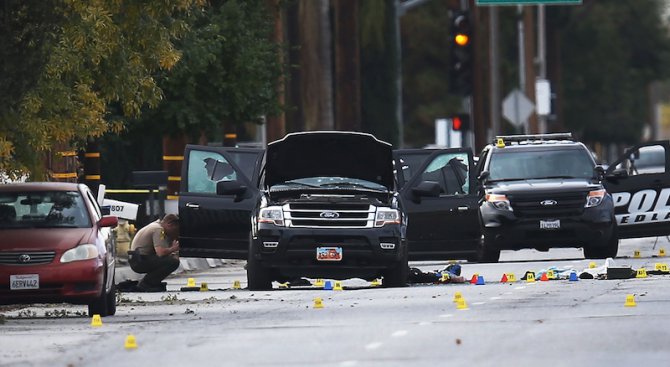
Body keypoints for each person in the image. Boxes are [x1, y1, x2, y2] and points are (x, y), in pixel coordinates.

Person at [128, 214, 180, 292]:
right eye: (174, 230)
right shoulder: (158, 229)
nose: (175, 233)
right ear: (170, 224)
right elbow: (160, 253)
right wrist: (173, 249)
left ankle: (152, 282)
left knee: (170, 260)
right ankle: (146, 284)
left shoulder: (156, 225)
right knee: (173, 262)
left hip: (137, 258)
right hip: (140, 260)